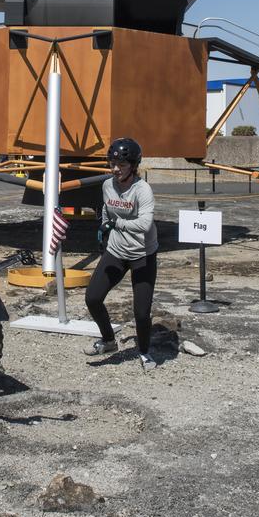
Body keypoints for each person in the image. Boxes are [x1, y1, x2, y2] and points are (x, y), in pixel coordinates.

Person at [83, 137, 160, 372]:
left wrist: (117, 224)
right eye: (112, 164)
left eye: (122, 165)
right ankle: (108, 341)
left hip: (142, 254)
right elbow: (107, 210)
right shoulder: (108, 185)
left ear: (134, 166)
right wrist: (104, 230)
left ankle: (145, 353)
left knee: (141, 312)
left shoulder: (142, 190)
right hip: (116, 251)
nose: (116, 169)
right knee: (92, 298)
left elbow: (145, 223)